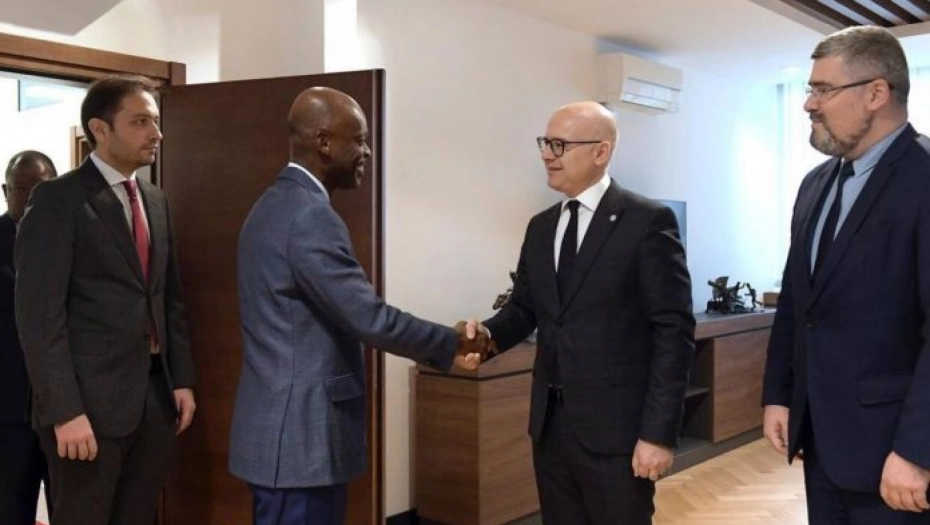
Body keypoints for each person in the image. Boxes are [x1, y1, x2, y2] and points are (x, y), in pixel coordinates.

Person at [228, 86, 490, 525]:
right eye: (360, 140)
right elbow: (369, 317)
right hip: (300, 442)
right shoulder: (310, 216)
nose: (367, 152)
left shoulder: (271, 204)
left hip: (282, 436)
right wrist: (452, 343)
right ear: (324, 143)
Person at [466, 101, 695, 525]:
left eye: (559, 145)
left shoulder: (647, 221)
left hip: (618, 432)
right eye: (545, 143)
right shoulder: (540, 227)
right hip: (550, 428)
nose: (546, 154)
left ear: (601, 152)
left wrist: (658, 434)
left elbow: (673, 332)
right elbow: (524, 309)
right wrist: (486, 338)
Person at [763, 25, 930, 524]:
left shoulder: (924, 178)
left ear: (876, 93)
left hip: (895, 455)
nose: (808, 104)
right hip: (820, 441)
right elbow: (799, 304)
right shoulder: (814, 185)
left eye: (822, 89)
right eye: (809, 89)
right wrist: (778, 395)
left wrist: (917, 451)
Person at [14, 75, 196, 525]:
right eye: (140, 122)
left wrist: (181, 380)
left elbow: (168, 300)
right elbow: (39, 318)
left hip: (153, 402)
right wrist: (65, 412)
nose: (156, 133)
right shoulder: (58, 200)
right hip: (86, 409)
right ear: (100, 129)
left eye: (156, 121)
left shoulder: (155, 200)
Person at [1, 150, 56, 525]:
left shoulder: (74, 242)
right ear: (6, 191)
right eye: (22, 188)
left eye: (41, 187)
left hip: (64, 411)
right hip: (8, 415)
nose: (31, 196)